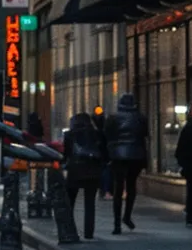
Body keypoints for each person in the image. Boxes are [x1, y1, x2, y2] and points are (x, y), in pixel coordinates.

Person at [104, 93, 148, 234]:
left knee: (118, 188)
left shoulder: (113, 118)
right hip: (135, 156)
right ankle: (127, 216)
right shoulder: (141, 118)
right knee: (131, 187)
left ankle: (117, 224)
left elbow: (107, 135)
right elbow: (145, 135)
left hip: (118, 156)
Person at [62, 112, 108, 240]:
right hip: (93, 171)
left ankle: (69, 229)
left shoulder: (69, 135)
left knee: (70, 202)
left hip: (75, 170)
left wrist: (64, 164)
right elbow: (104, 153)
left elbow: (65, 154)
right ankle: (89, 233)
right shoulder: (97, 134)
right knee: (90, 204)